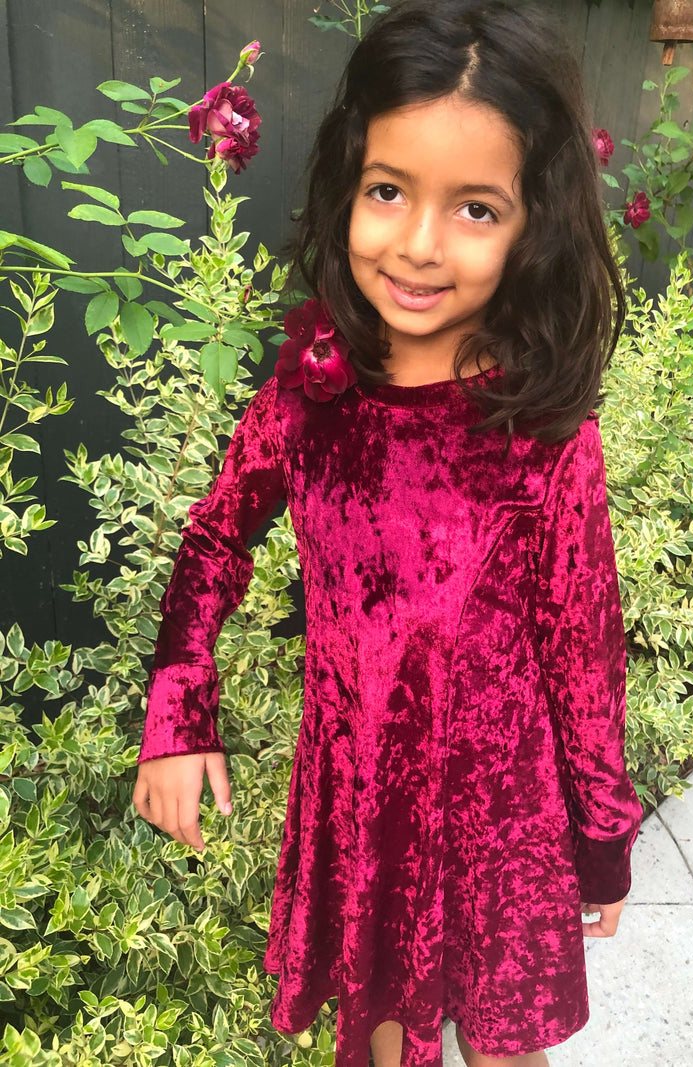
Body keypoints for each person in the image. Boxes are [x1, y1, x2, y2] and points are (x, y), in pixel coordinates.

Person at [132, 1, 643, 1065]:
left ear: (531, 222)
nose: (416, 245)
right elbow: (215, 539)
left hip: (500, 812)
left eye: (473, 209)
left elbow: (582, 649)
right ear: (346, 186)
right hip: (360, 797)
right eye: (387, 192)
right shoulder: (307, 395)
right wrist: (181, 708)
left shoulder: (542, 435)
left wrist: (600, 839)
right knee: (368, 1034)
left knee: (505, 1047)